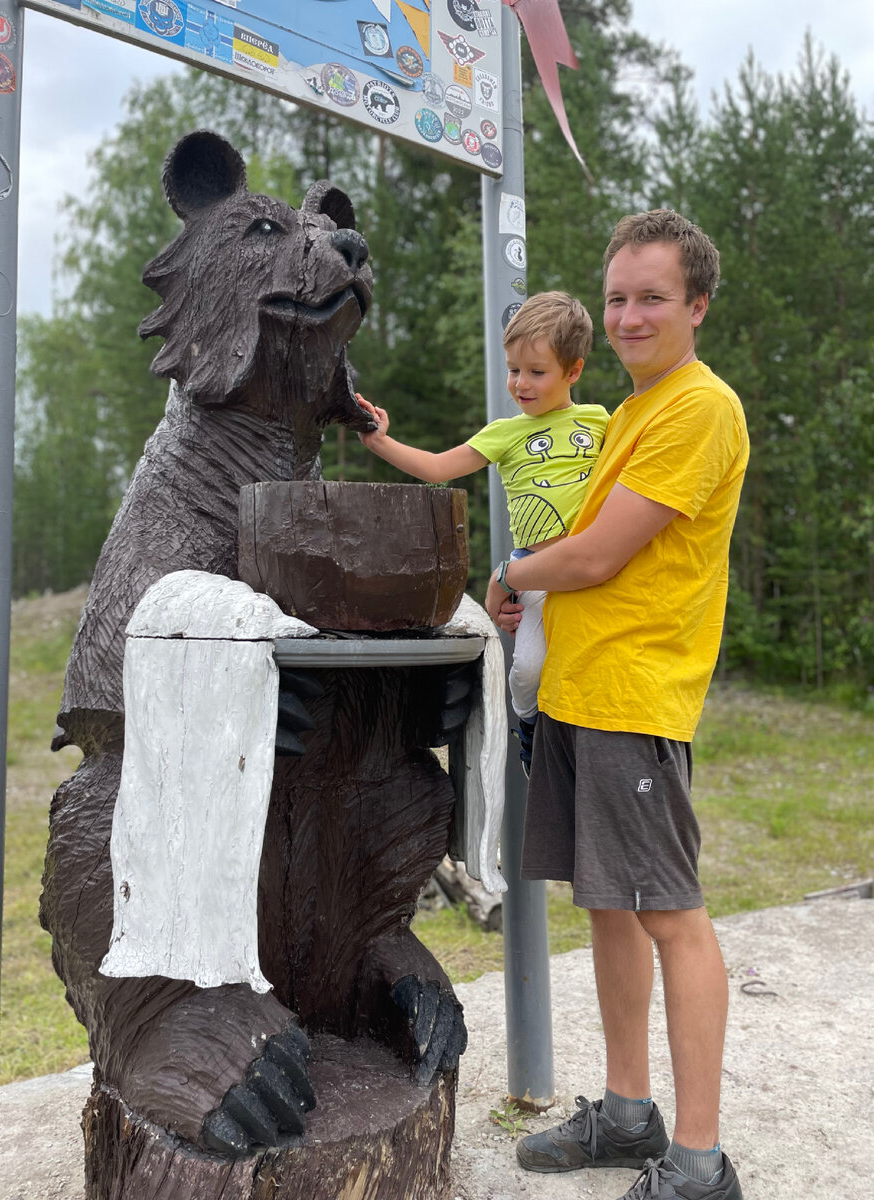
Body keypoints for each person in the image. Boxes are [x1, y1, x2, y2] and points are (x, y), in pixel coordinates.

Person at [486, 211, 749, 1200]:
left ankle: (698, 1160)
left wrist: (514, 569)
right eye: (619, 299)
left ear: (697, 306)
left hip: (637, 695)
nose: (632, 315)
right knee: (606, 904)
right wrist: (532, 592)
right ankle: (630, 1114)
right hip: (579, 690)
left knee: (672, 916)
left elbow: (599, 554)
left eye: (653, 297)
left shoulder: (697, 408)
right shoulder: (632, 411)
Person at [356, 291, 609, 770]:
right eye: (514, 370)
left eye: (537, 372)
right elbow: (437, 468)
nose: (521, 383)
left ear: (573, 371)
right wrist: (380, 442)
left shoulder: (599, 421)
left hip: (593, 570)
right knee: (528, 670)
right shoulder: (504, 432)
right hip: (535, 572)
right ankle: (530, 733)